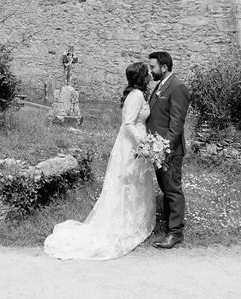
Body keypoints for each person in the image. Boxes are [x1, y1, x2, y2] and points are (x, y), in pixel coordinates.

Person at [44, 62, 156, 260]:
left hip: (135, 143)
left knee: (133, 184)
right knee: (127, 183)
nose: (149, 75)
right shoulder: (137, 96)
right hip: (133, 144)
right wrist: (144, 144)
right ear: (141, 77)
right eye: (146, 73)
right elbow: (129, 123)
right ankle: (126, 224)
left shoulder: (137, 94)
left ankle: (134, 221)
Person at [146, 50, 190, 249]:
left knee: (172, 189)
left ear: (164, 67)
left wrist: (165, 147)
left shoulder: (177, 87)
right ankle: (167, 226)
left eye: (153, 67)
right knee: (165, 188)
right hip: (158, 150)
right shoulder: (160, 85)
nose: (150, 70)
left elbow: (176, 122)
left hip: (169, 150)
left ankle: (175, 232)